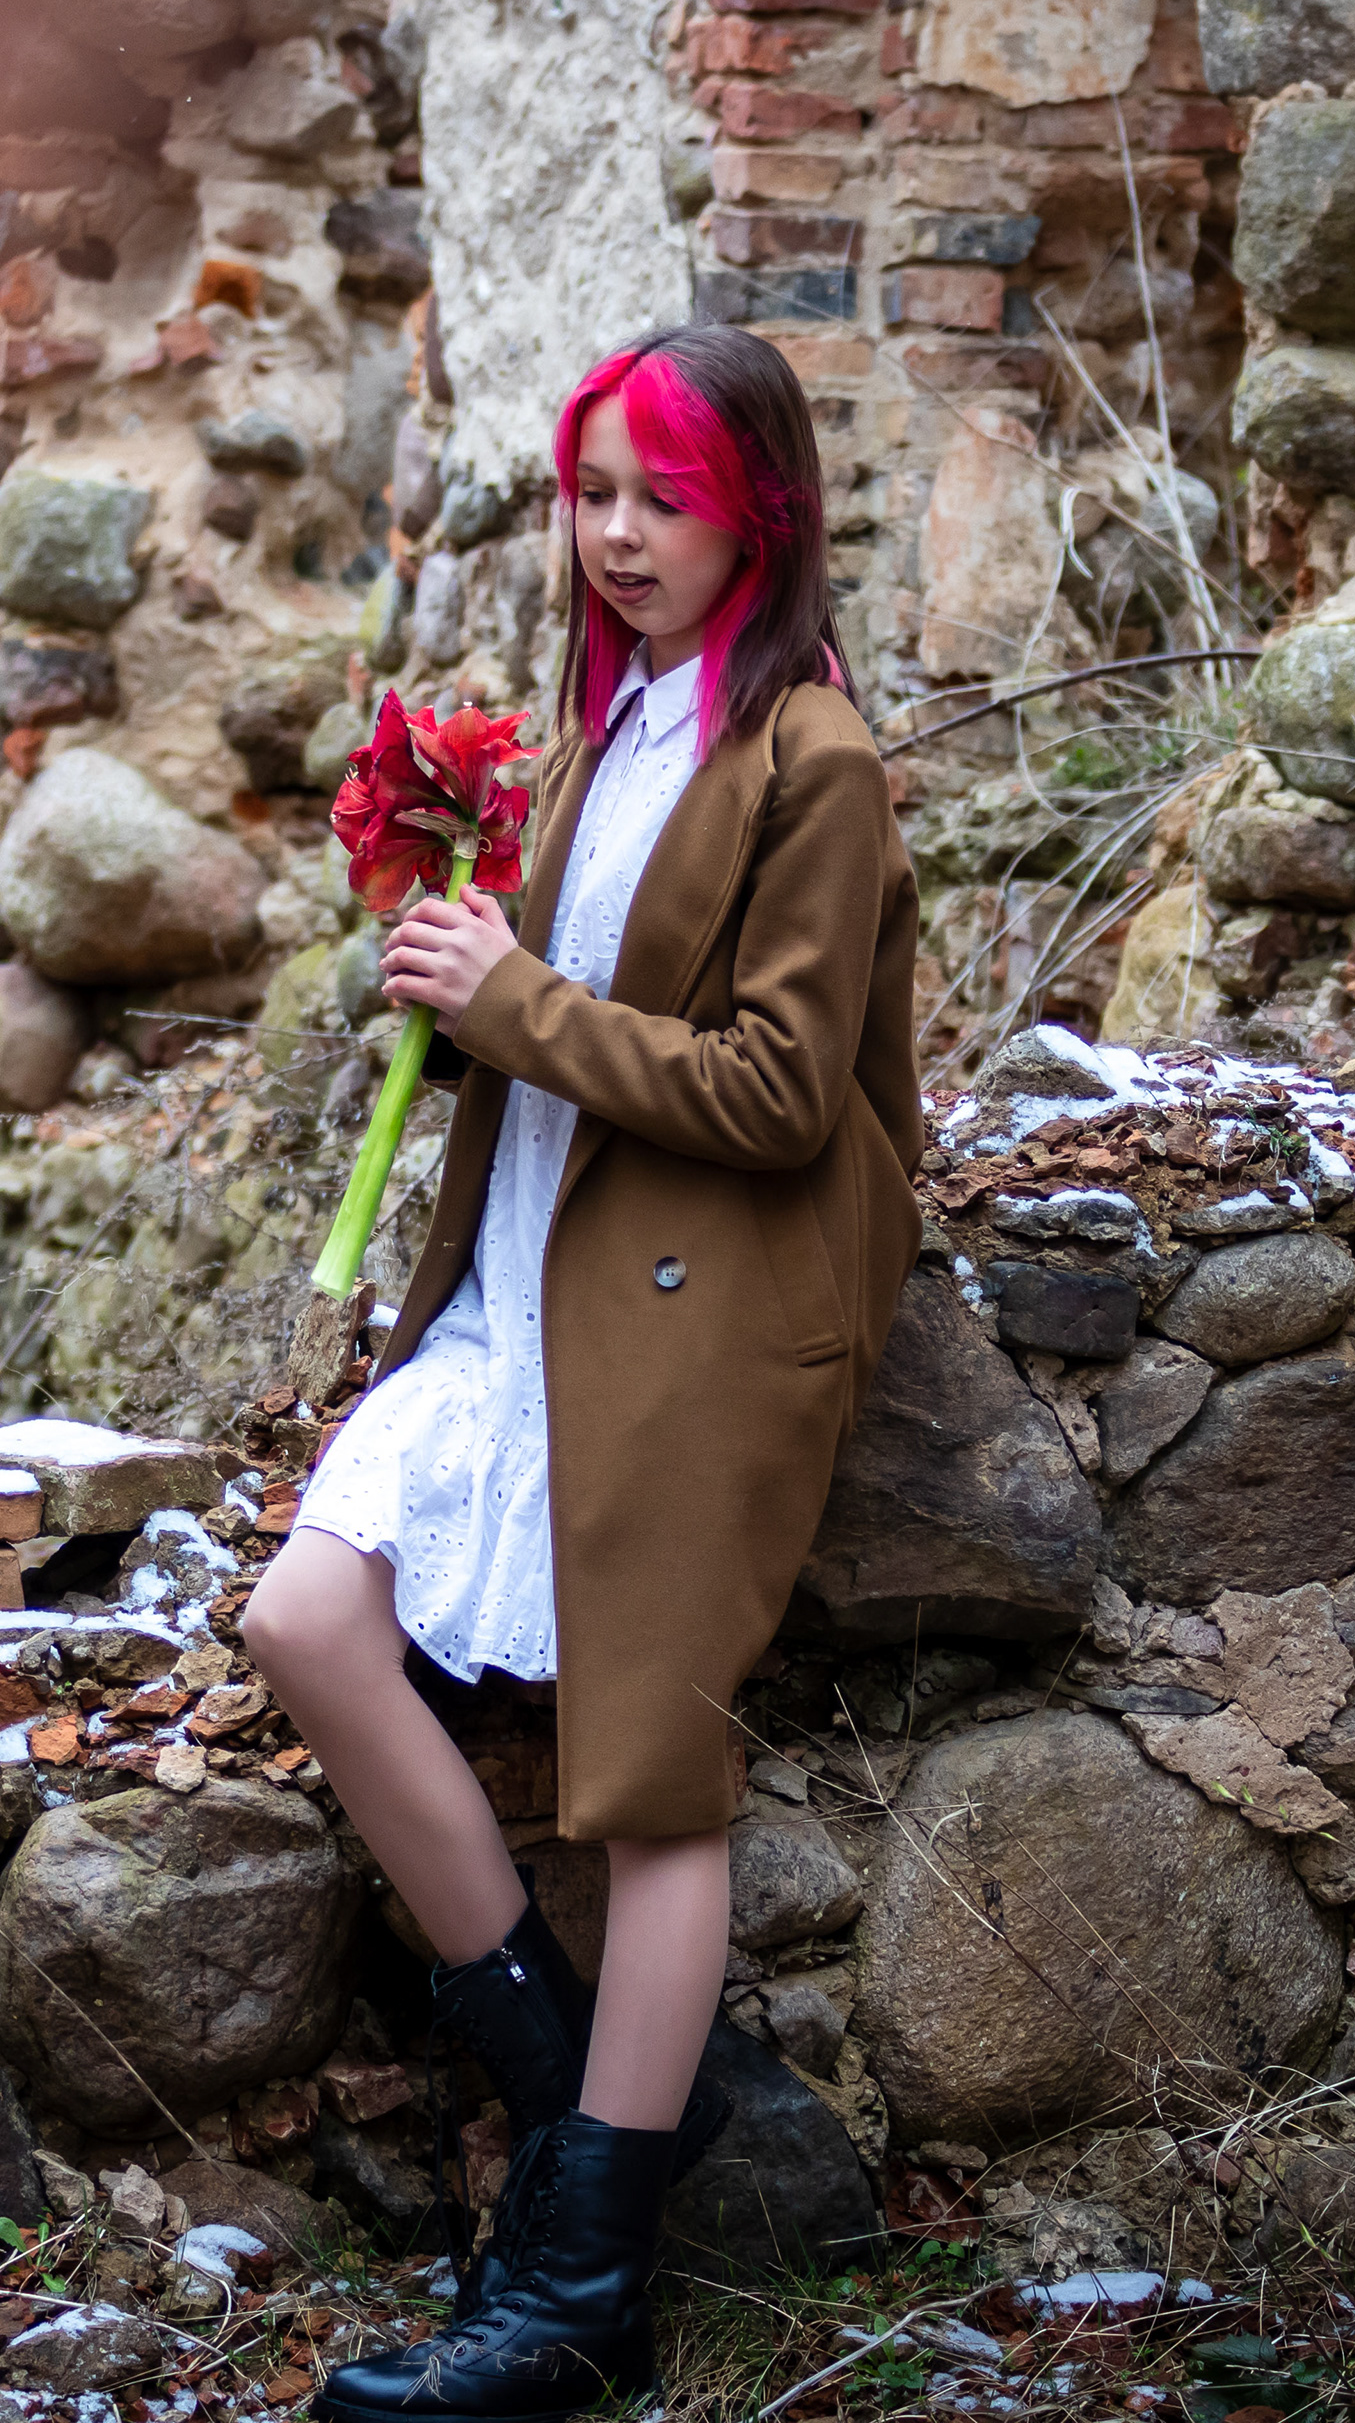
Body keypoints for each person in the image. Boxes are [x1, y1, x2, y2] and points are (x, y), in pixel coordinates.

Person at [245, 322, 923, 2423]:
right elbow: (553, 1015)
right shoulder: (599, 725)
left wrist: (515, 1001)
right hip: (526, 1280)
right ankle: (578, 2100)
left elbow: (785, 1092)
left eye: (667, 499)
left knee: (650, 1779)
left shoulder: (816, 761)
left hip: (703, 1315)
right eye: (596, 494)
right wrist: (454, 978)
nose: (619, 535)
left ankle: (575, 2292)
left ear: (763, 514)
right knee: (306, 1617)